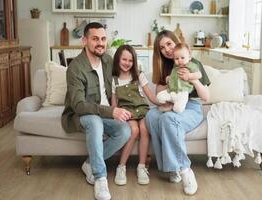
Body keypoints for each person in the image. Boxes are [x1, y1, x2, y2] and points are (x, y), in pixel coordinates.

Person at [61, 22, 132, 200]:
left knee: (125, 130)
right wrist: (112, 111)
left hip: (104, 114)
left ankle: (89, 164)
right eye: (95, 39)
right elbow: (79, 106)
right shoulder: (75, 68)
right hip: (81, 115)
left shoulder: (108, 60)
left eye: (103, 39)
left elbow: (125, 75)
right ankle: (100, 178)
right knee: (94, 121)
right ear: (84, 40)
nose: (100, 43)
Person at [145, 30, 210, 195]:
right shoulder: (164, 65)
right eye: (162, 47)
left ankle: (185, 170)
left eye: (169, 44)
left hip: (192, 107)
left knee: (168, 120)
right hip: (171, 103)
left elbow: (206, 97)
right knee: (152, 116)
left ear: (176, 42)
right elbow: (160, 92)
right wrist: (171, 84)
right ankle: (171, 169)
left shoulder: (192, 63)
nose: (167, 49)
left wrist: (191, 78)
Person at [111, 45, 160, 186]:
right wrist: (115, 114)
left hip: (142, 109)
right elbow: (114, 104)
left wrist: (161, 103)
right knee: (134, 130)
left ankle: (142, 166)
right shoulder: (114, 80)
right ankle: (121, 167)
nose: (127, 63)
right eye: (124, 59)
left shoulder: (138, 75)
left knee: (145, 129)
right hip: (127, 111)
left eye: (130, 60)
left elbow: (150, 95)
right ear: (117, 60)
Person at [156, 43, 202, 113]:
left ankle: (172, 107)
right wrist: (169, 78)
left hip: (182, 92)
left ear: (189, 57)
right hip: (171, 90)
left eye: (182, 58)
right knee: (159, 97)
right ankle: (170, 104)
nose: (179, 60)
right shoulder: (175, 67)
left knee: (178, 109)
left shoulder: (191, 65)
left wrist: (189, 76)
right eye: (176, 58)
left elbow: (199, 74)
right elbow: (174, 75)